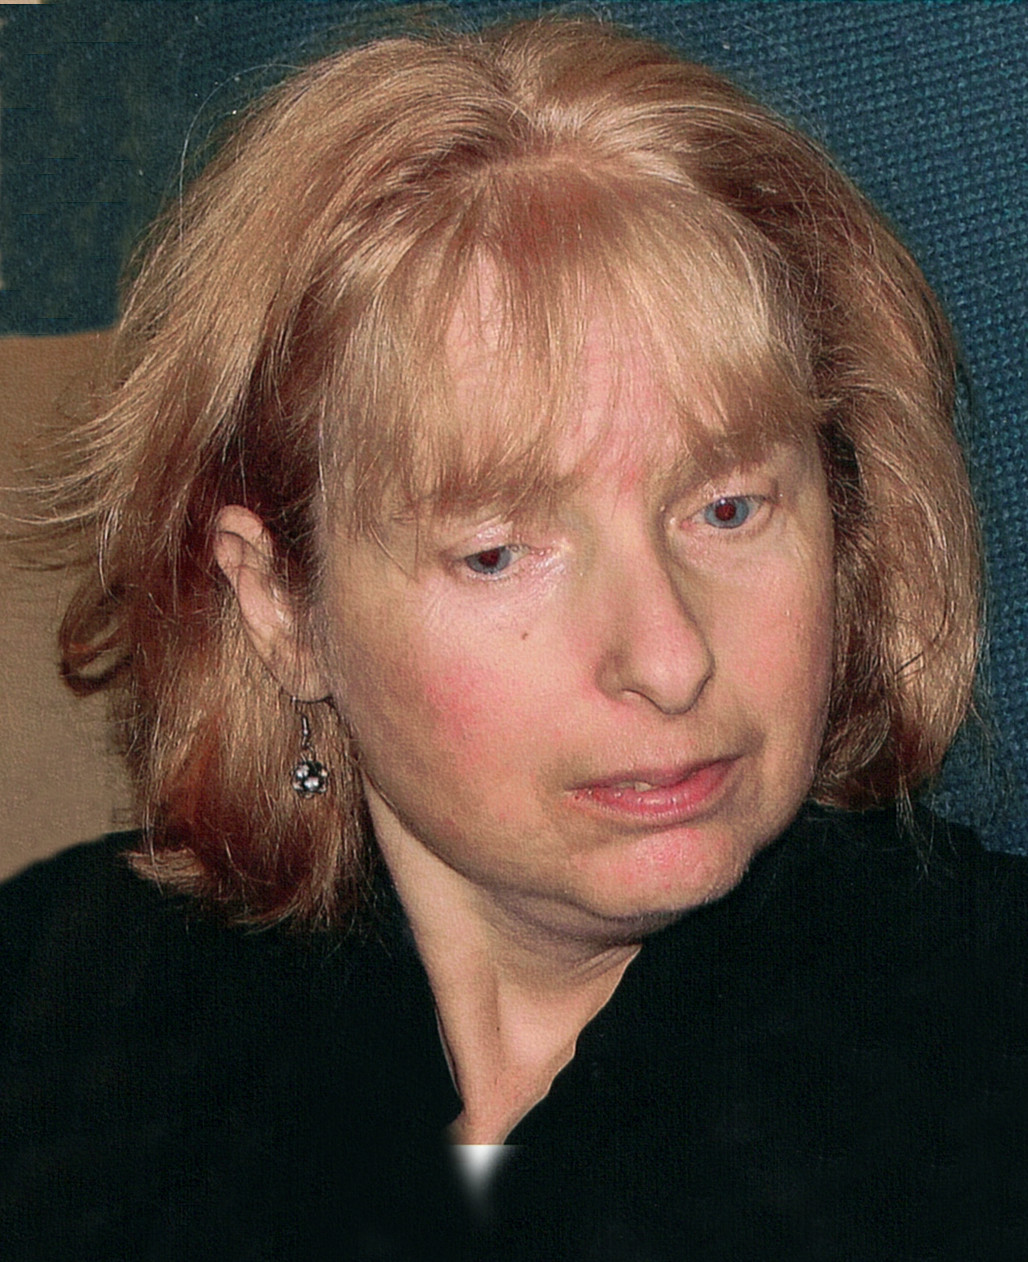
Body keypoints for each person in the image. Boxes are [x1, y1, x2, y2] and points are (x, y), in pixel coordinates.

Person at [1, 13, 1024, 1260]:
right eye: (496, 551)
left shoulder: (983, 1036)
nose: (668, 659)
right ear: (281, 606)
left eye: (726, 508)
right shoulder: (60, 1015)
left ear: (845, 525)